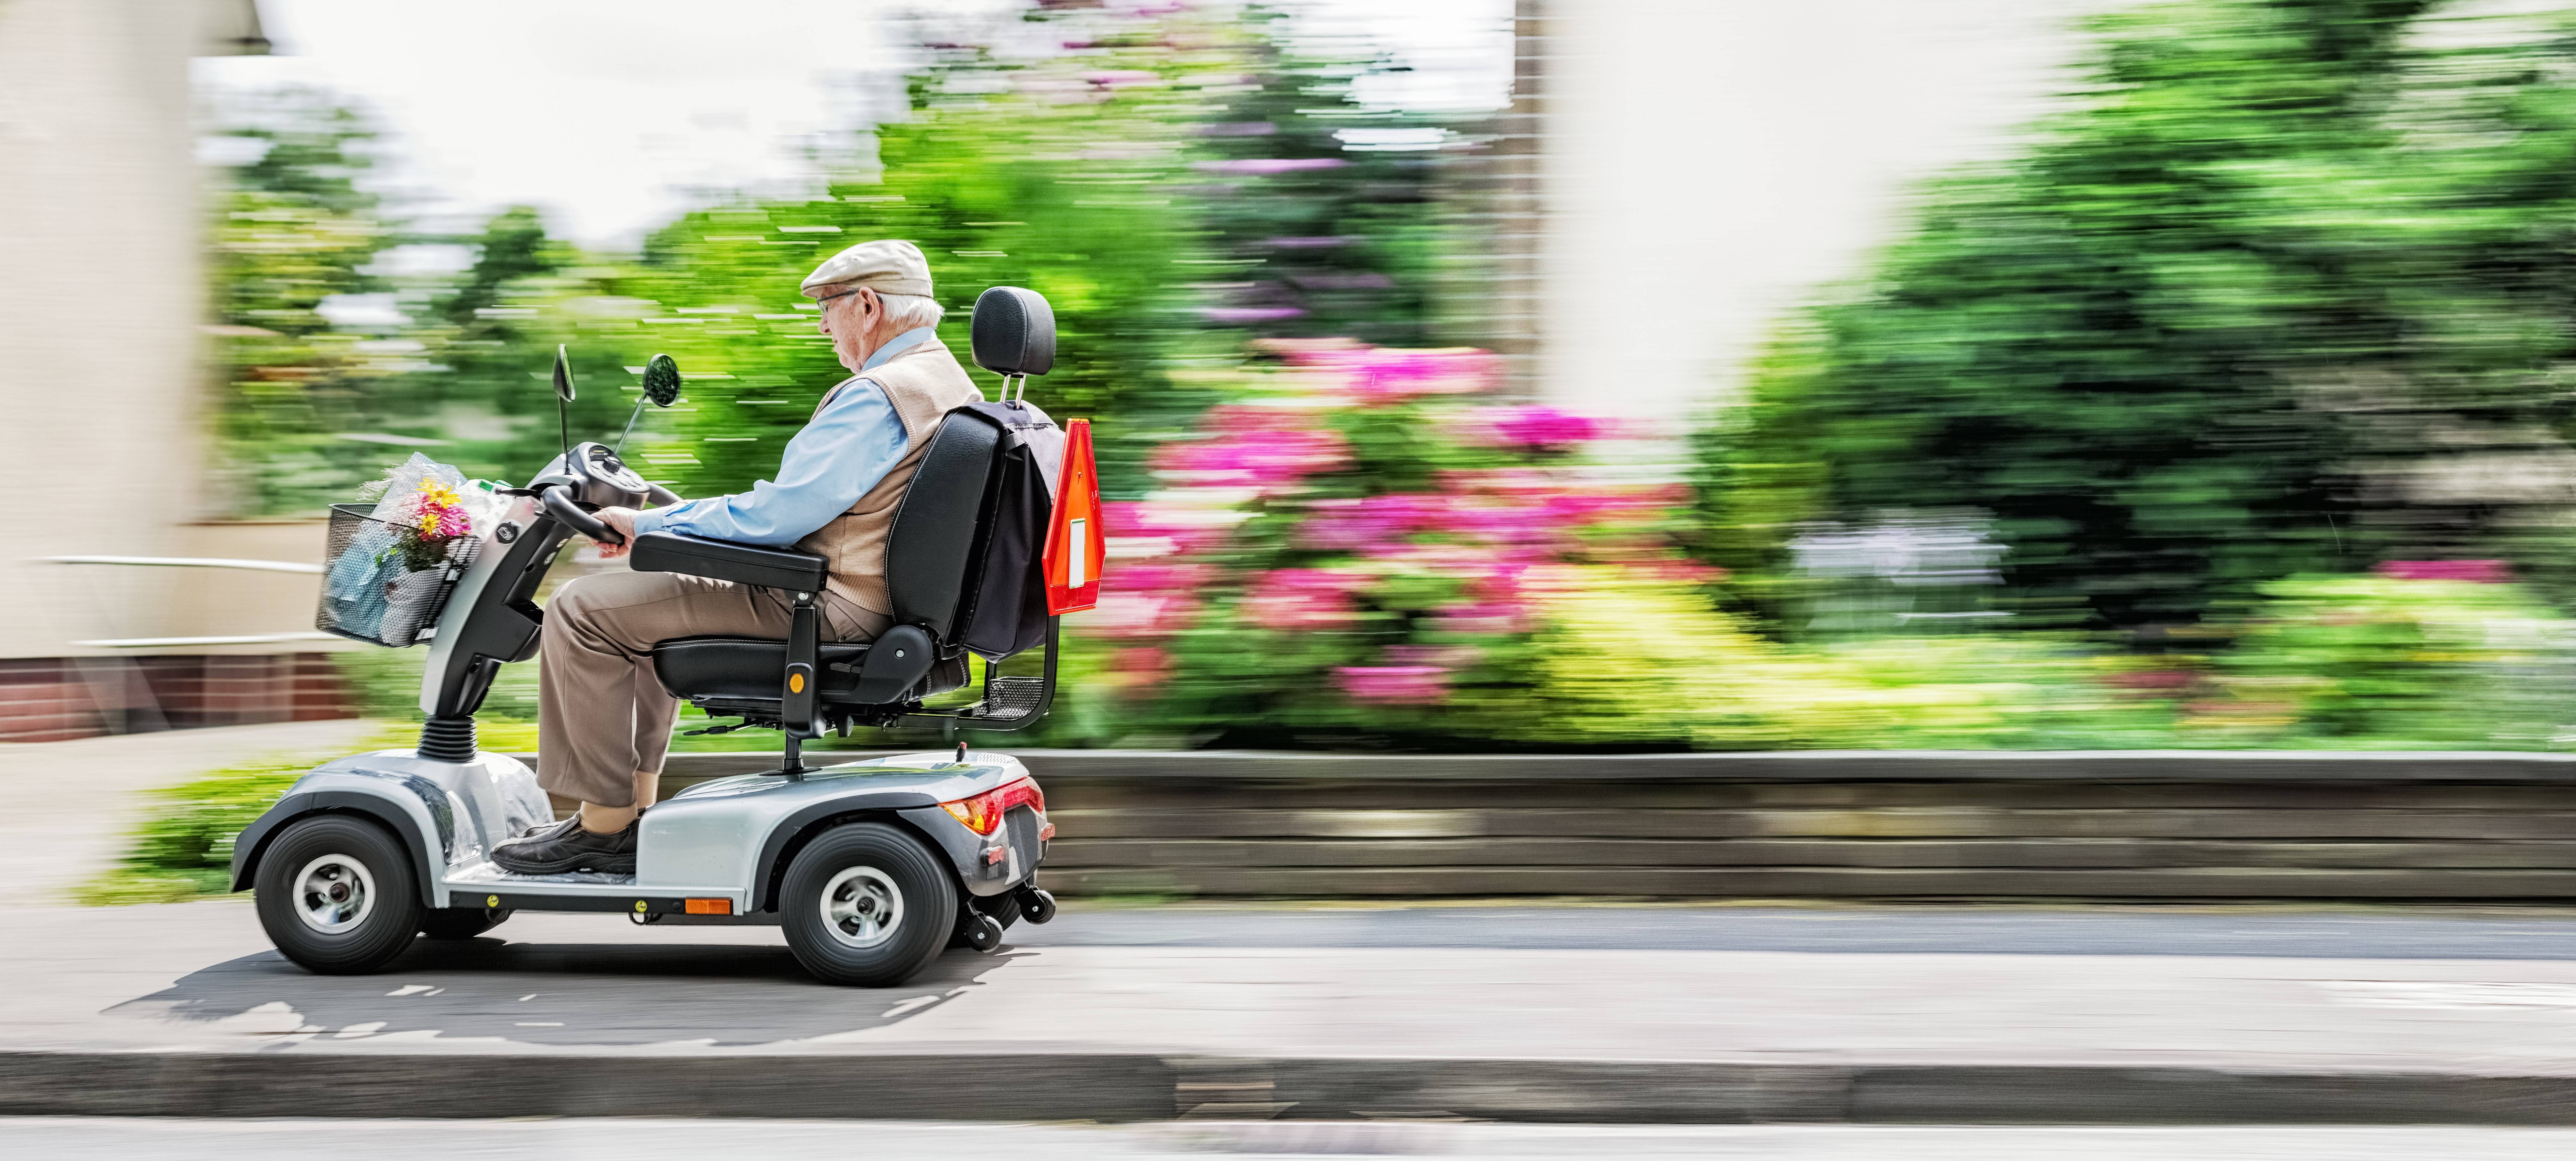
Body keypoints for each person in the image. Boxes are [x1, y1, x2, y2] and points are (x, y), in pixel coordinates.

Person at [491, 239, 984, 874]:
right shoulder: (949, 384)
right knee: (633, 600)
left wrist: (647, 523)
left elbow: (778, 517)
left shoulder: (879, 395)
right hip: (874, 601)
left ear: (866, 306)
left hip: (826, 604)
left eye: (827, 308)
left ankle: (605, 826)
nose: (822, 326)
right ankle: (630, 812)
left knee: (581, 609)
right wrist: (664, 527)